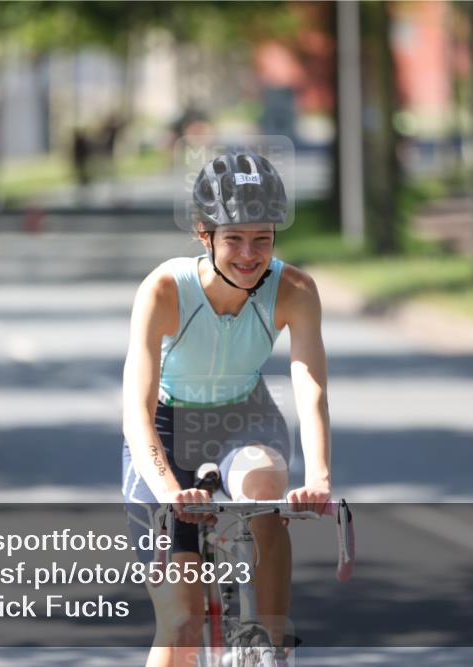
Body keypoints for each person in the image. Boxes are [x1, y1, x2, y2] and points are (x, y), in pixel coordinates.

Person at [122, 151, 331, 666]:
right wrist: (171, 491)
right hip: (167, 432)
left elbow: (310, 385)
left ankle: (271, 644)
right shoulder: (165, 289)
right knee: (181, 624)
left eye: (262, 239)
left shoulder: (296, 290)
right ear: (203, 234)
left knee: (264, 487)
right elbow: (137, 408)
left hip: (245, 417)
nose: (248, 254)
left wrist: (320, 477)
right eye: (233, 239)